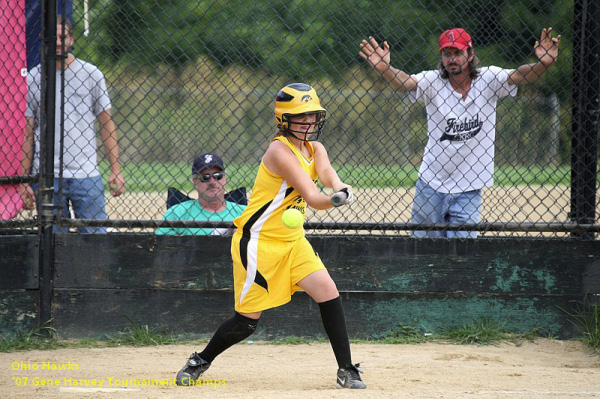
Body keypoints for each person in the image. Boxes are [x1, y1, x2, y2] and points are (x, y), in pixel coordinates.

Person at [174, 83, 365, 389]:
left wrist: (340, 186)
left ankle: (346, 369)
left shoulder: (316, 149)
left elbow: (328, 174)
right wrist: (333, 200)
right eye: (300, 116)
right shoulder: (279, 151)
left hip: (292, 241)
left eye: (311, 115)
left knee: (328, 292)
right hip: (258, 242)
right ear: (283, 120)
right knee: (247, 322)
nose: (308, 121)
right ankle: (200, 360)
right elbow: (314, 197)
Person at [359, 27, 561, 238]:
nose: (452, 59)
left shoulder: (488, 79)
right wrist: (385, 69)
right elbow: (407, 82)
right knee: (422, 251)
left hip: (469, 186)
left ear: (470, 54)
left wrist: (543, 64)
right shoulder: (433, 81)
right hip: (431, 183)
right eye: (447, 54)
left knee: (462, 254)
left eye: (458, 53)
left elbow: (519, 75)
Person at [20, 15, 125, 233]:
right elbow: (28, 134)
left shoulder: (91, 74)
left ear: (72, 39)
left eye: (63, 36)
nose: (58, 42)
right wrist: (24, 180)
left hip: (86, 174)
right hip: (47, 176)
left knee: (95, 239)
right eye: (52, 37)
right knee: (54, 244)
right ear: (43, 40)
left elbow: (106, 123)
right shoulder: (33, 78)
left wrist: (115, 168)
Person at [156, 153, 246, 236]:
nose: (212, 182)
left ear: (225, 179)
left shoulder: (244, 213)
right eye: (205, 177)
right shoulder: (177, 213)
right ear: (195, 182)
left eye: (217, 176)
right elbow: (161, 248)